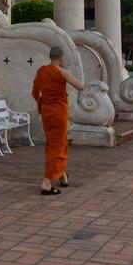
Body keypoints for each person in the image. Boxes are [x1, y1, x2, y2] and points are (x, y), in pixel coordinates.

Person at [31, 46, 84, 196]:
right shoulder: (62, 72)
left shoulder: (42, 71)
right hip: (59, 112)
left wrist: (42, 104)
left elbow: (35, 92)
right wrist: (67, 75)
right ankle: (46, 182)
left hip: (47, 112)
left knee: (55, 143)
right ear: (61, 58)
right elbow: (80, 86)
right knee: (57, 145)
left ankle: (63, 175)